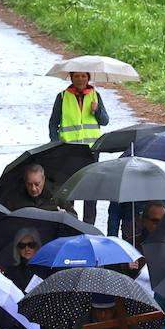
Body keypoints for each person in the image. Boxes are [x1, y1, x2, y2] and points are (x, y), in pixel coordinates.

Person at [48, 71, 109, 223]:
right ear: (71, 77)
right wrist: (56, 144)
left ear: (88, 78)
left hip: (91, 151)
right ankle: (70, 223)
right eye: (76, 76)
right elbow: (53, 123)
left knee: (91, 191)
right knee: (70, 190)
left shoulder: (95, 96)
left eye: (83, 76)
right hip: (69, 151)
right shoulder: (62, 97)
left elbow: (105, 121)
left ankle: (89, 225)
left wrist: (97, 110)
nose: (80, 79)